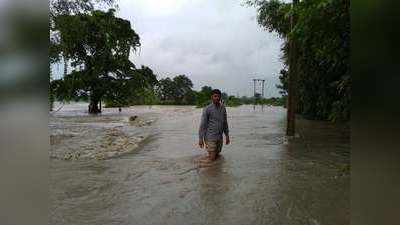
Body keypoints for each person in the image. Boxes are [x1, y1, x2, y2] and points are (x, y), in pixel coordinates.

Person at [198, 89, 230, 162]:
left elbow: (225, 122)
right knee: (212, 158)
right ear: (211, 97)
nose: (217, 98)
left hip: (219, 137)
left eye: (218, 96)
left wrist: (227, 136)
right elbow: (203, 124)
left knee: (217, 156)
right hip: (210, 137)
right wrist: (200, 139)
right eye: (215, 96)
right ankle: (199, 166)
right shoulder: (207, 109)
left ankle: (213, 170)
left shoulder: (223, 108)